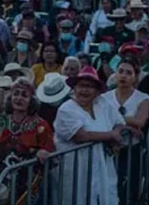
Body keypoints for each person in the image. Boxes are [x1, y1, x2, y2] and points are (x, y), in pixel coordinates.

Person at [53, 65, 130, 205]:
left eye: (89, 86)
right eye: (81, 85)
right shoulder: (66, 109)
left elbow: (120, 122)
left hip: (102, 166)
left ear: (96, 91)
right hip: (77, 170)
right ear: (74, 88)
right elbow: (81, 136)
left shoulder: (102, 103)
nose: (84, 90)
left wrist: (116, 134)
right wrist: (111, 136)